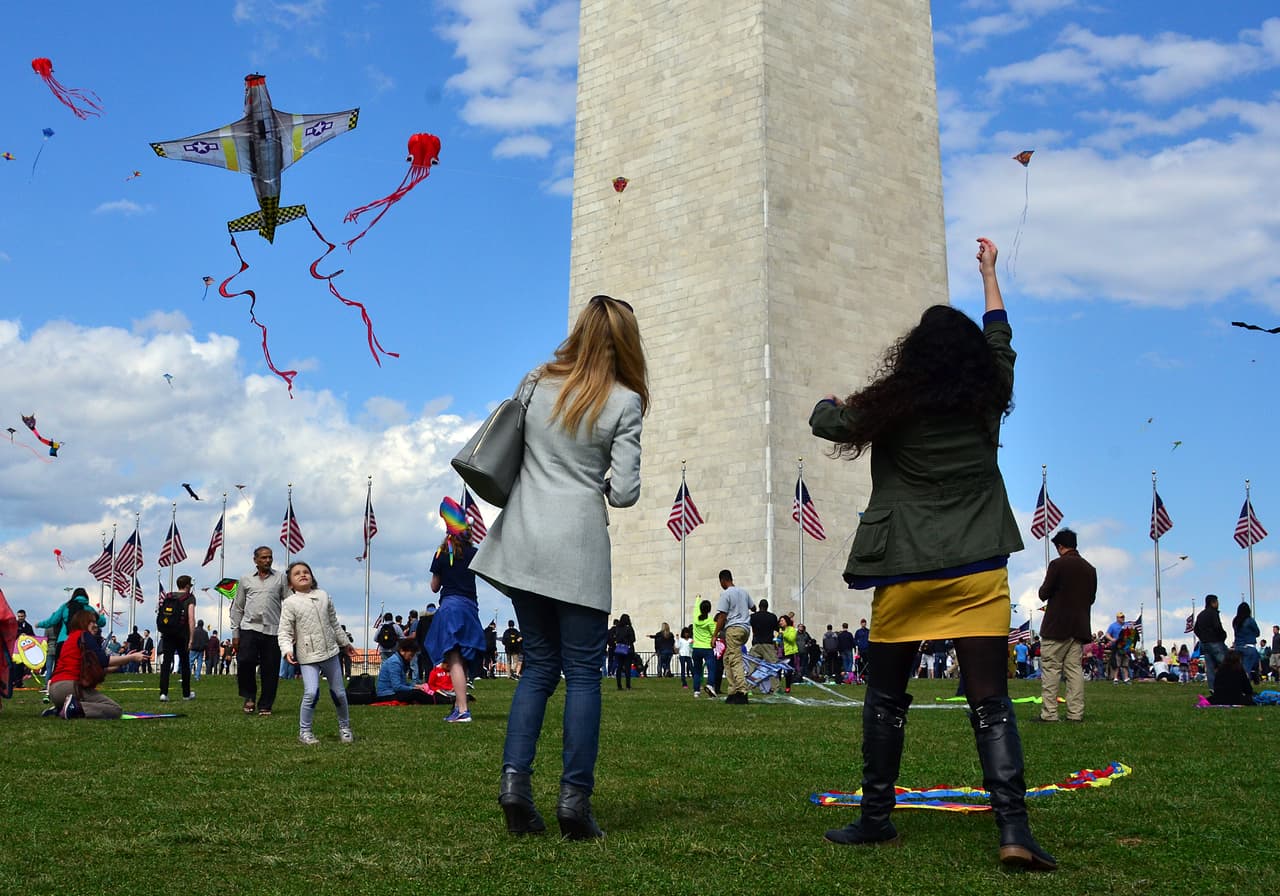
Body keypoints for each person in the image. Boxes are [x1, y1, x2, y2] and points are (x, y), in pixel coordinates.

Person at [809, 238, 1054, 870]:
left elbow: (825, 423)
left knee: (887, 699)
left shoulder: (892, 404)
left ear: (912, 356)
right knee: (990, 702)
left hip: (906, 569)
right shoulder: (989, 393)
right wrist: (990, 274)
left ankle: (874, 819)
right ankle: (1013, 832)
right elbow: (1001, 336)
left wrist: (832, 402)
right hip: (978, 568)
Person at [471, 292, 646, 840]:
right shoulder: (624, 402)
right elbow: (625, 494)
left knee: (539, 668)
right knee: (585, 675)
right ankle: (575, 800)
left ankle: (514, 784)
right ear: (625, 342)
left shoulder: (535, 381)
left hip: (524, 538)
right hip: (578, 547)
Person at [276, 561, 355, 744]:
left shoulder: (324, 596)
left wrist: (345, 643)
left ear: (312, 577)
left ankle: (345, 727)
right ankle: (305, 731)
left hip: (330, 653)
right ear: (290, 583)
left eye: (306, 572)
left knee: (339, 693)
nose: (302, 575)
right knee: (311, 693)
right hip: (308, 656)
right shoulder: (289, 603)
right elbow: (284, 631)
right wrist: (287, 650)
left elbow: (334, 623)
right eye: (297, 573)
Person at [427, 497, 487, 723]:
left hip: (450, 607)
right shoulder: (474, 554)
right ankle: (458, 706)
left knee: (454, 660)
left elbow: (434, 587)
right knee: (462, 658)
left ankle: (462, 709)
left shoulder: (442, 554)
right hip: (470, 608)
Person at [1034, 528, 1096, 723]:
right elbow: (1091, 598)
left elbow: (1044, 593)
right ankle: (1075, 713)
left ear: (1060, 546)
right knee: (1074, 670)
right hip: (1078, 627)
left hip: (1056, 626)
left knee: (1051, 669)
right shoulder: (1089, 569)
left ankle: (1050, 713)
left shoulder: (1057, 565)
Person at [48, 610, 146, 719]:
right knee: (114, 709)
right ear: (83, 622)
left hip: (54, 689)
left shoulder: (70, 639)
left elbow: (95, 667)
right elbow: (103, 660)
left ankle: (61, 708)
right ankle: (75, 708)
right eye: (92, 622)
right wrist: (131, 657)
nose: (96, 626)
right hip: (69, 687)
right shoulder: (84, 635)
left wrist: (125, 660)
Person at [231, 546, 287, 716]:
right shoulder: (245, 579)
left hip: (273, 629)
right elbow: (237, 607)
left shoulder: (281, 578)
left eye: (270, 557)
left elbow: (289, 603)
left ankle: (266, 704)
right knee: (245, 661)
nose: (267, 560)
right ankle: (249, 697)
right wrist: (235, 632)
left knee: (270, 667)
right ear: (255, 560)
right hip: (249, 628)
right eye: (263, 557)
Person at [37, 588, 107, 676]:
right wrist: (102, 616)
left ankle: (53, 686)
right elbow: (102, 622)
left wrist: (39, 624)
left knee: (59, 669)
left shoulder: (65, 606)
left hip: (64, 641)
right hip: (82, 641)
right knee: (81, 669)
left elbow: (53, 620)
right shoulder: (89, 609)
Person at [712, 570, 754, 705]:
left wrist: (715, 635)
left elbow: (722, 616)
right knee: (727, 659)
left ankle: (742, 691)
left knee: (735, 660)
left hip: (733, 628)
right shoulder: (743, 592)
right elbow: (754, 607)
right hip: (745, 629)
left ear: (723, 581)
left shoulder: (726, 594)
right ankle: (732, 691)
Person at [157, 575, 197, 703]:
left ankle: (163, 692)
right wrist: (191, 638)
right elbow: (191, 618)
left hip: (167, 633)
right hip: (182, 634)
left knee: (166, 663)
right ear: (187, 586)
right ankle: (186, 693)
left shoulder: (169, 597)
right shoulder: (189, 598)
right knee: (185, 663)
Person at [375, 639, 433, 703]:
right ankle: (436, 700)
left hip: (390, 693)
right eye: (411, 655)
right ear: (402, 651)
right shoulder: (394, 663)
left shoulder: (399, 661)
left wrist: (415, 686)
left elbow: (402, 683)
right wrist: (413, 688)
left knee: (417, 692)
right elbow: (397, 687)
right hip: (387, 695)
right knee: (416, 693)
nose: (411, 658)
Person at [1194, 594, 1228, 692]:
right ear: (1212, 603)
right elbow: (1217, 627)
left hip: (1204, 643)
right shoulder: (1213, 613)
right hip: (1215, 642)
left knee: (1210, 667)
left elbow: (1196, 629)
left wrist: (1202, 637)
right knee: (1225, 665)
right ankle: (1227, 685)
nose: (1218, 604)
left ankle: (1212, 687)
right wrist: (1223, 635)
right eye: (1217, 602)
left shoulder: (1200, 615)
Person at [691, 599, 717, 698]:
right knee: (712, 669)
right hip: (707, 648)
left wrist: (697, 598)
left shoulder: (695, 618)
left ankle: (696, 691)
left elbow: (696, 607)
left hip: (696, 648)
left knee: (697, 671)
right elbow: (715, 633)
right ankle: (710, 685)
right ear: (709, 610)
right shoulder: (710, 621)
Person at [1231, 602, 1261, 679]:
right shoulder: (1250, 620)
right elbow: (1257, 633)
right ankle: (1248, 682)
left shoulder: (1235, 621)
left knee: (1239, 669)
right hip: (1249, 647)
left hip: (1238, 647)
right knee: (1246, 669)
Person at [749, 599, 779, 670]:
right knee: (772, 668)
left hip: (756, 644)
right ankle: (773, 681)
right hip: (768, 644)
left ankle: (753, 680)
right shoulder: (772, 617)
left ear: (759, 606)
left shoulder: (753, 616)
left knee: (753, 667)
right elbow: (777, 629)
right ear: (767, 607)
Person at [609, 614, 637, 690]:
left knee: (619, 667)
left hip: (619, 649)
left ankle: (619, 685)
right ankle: (628, 685)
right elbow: (633, 639)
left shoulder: (618, 628)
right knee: (627, 668)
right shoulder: (629, 628)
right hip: (627, 649)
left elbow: (615, 637)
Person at [1103, 612, 1132, 683]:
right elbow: (1107, 634)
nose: (1122, 618)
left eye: (1123, 617)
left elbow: (1131, 634)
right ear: (1117, 618)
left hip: (1125, 647)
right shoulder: (1113, 626)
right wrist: (1112, 639)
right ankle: (1115, 678)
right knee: (1117, 663)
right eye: (1121, 617)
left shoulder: (1127, 625)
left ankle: (1126, 678)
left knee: (1125, 663)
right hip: (1117, 646)